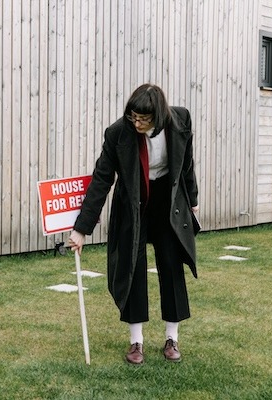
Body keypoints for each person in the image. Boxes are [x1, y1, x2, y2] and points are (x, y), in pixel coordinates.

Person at [68, 83, 199, 365]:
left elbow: (186, 164)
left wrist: (193, 199)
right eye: (133, 117)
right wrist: (81, 229)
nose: (136, 123)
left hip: (167, 202)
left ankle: (172, 338)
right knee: (132, 267)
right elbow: (102, 179)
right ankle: (136, 342)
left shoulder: (181, 120)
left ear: (159, 115)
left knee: (171, 264)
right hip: (133, 203)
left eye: (143, 119)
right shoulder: (118, 133)